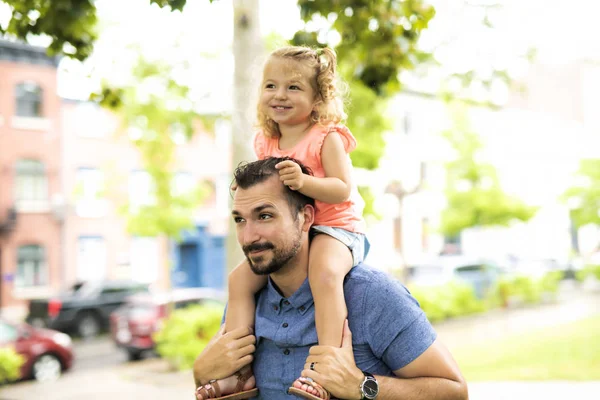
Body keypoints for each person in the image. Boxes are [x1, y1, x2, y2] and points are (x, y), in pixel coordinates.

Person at [194, 157, 468, 400]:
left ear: (305, 218)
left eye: (264, 216)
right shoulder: (245, 301)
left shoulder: (371, 294)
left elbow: (455, 391)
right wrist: (202, 375)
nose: (248, 236)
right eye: (240, 220)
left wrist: (363, 386)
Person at [203, 45, 369, 400]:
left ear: (317, 98)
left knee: (323, 274)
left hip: (336, 228)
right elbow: (268, 186)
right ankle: (239, 372)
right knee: (238, 280)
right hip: (293, 232)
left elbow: (342, 189)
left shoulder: (327, 137)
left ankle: (327, 368)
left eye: (293, 87)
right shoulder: (266, 140)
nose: (280, 95)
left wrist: (305, 183)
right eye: (271, 86)